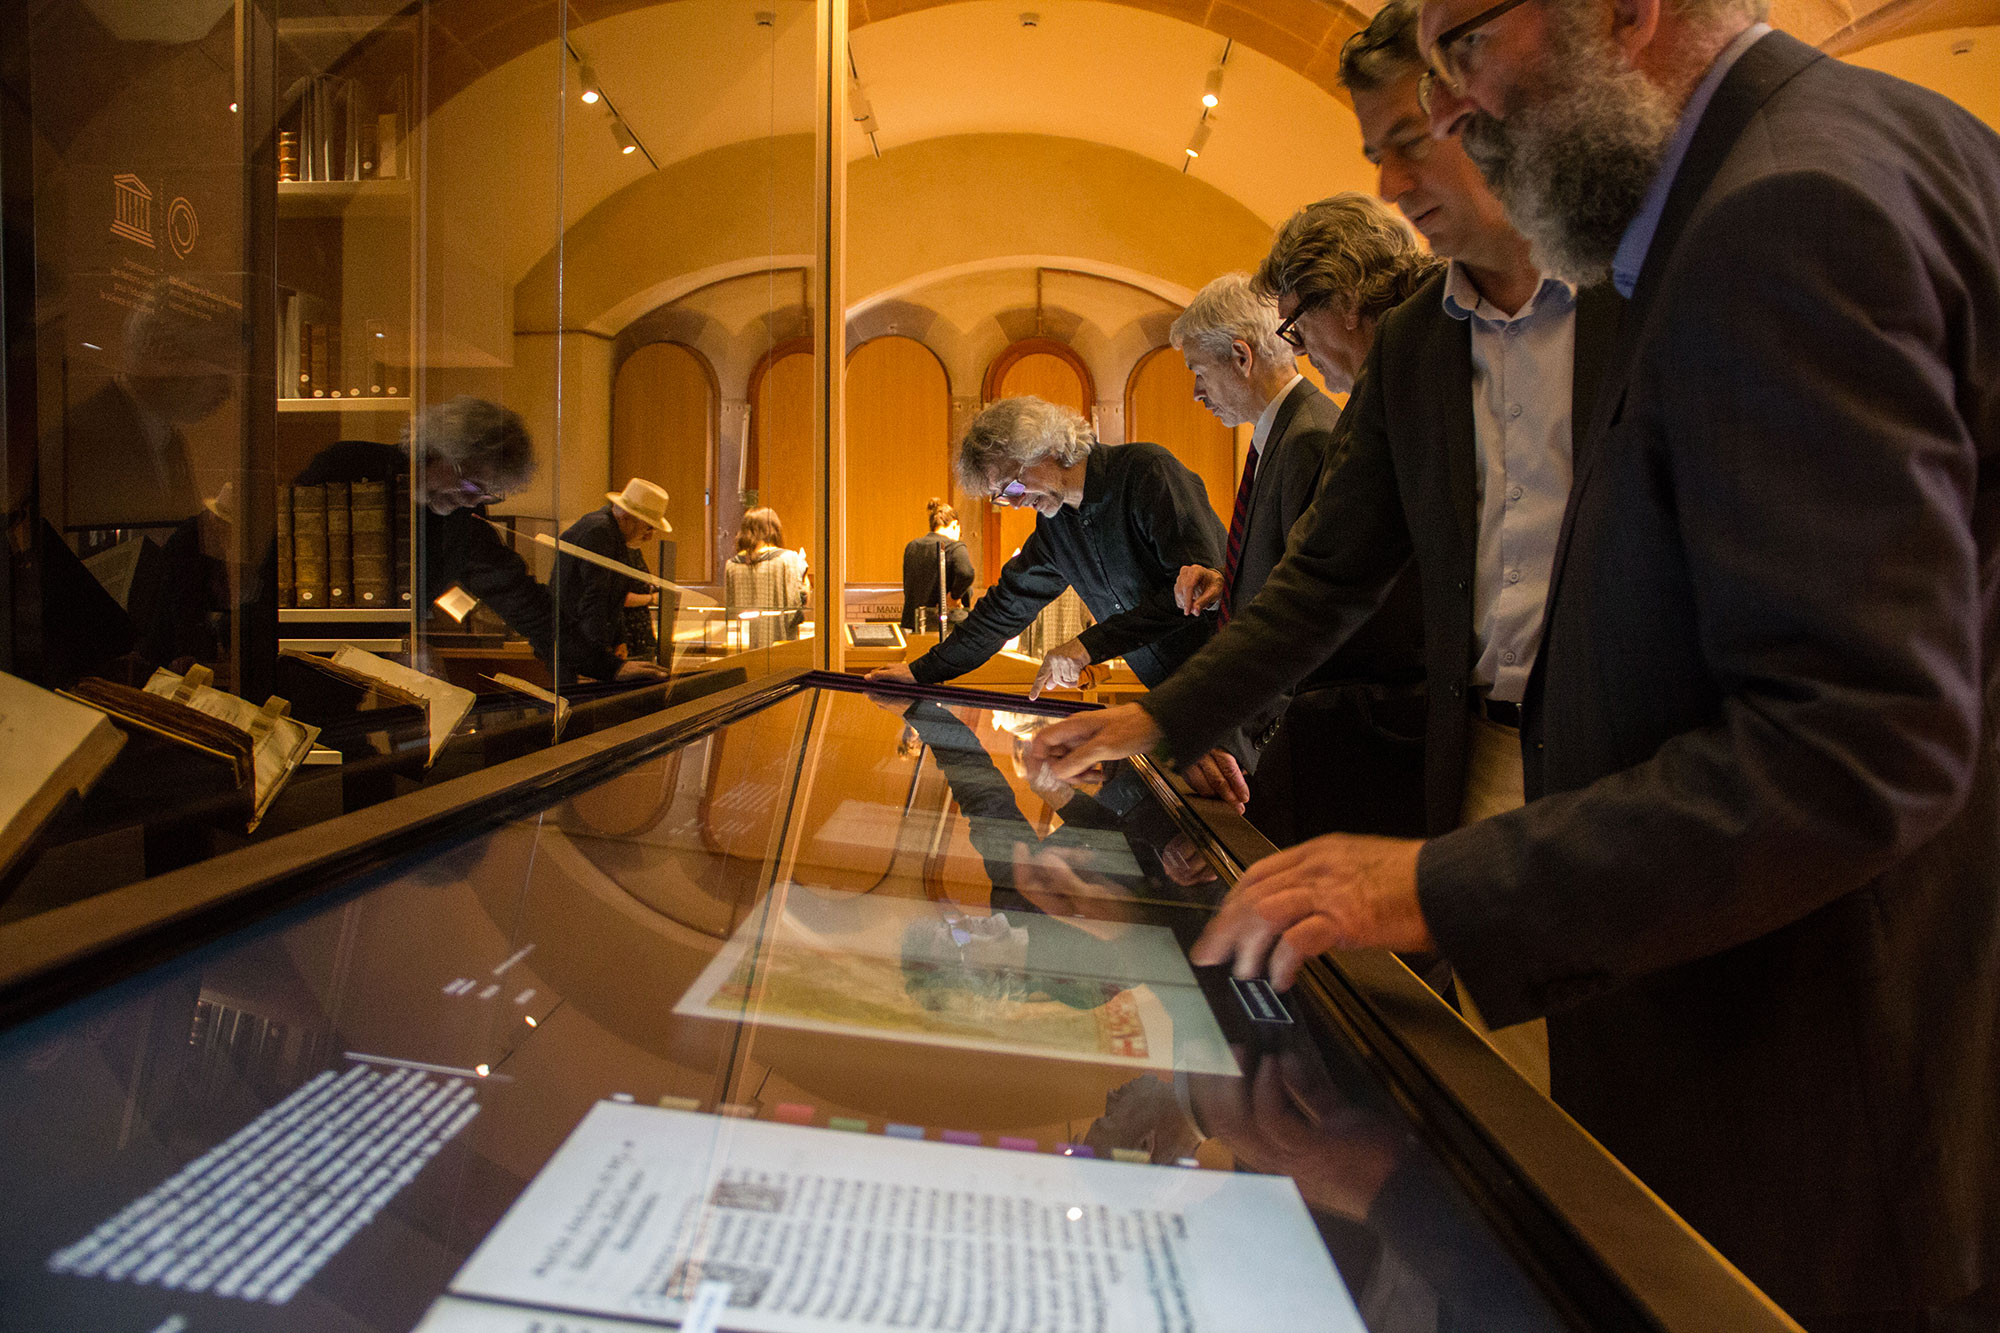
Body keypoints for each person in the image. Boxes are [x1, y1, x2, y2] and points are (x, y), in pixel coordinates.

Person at [1211, 3, 2000, 1328]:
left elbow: (1854, 742)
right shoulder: (1902, 136)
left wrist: (1433, 881)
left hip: (1822, 1063)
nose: (1454, 112)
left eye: (1466, 48)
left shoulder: (1777, 210)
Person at [1032, 1, 1621, 1079]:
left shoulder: (1627, 284)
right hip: (1483, 761)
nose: (1393, 187)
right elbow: (1321, 583)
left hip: (1621, 759)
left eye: (1411, 141)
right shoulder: (1419, 345)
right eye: (1379, 154)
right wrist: (1156, 720)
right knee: (1515, 1089)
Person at [865, 396, 1247, 801]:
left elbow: (1198, 595)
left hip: (1236, 693)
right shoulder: (1056, 525)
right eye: (999, 496)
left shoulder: (1146, 472)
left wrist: (1087, 646)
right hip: (1173, 712)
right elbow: (1004, 608)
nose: (1011, 504)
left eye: (1011, 485)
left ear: (1047, 448)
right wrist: (922, 672)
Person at [1168, 264, 1426, 844]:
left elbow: (1323, 600)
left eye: (1198, 371)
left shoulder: (1309, 436)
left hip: (1298, 742)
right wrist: (1228, 583)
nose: (1195, 391)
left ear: (1240, 356)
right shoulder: (1281, 432)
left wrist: (1217, 729)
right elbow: (1287, 564)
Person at [298, 397, 662, 685]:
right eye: (472, 485)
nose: (473, 501)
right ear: (439, 451)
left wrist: (607, 668)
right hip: (297, 654)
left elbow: (520, 597)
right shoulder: (349, 464)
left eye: (487, 496)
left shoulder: (458, 514)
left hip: (362, 667)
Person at [554, 477, 673, 685]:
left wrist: (618, 639)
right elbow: (594, 597)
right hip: (572, 644)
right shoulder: (600, 532)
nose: (650, 536)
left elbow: (611, 595)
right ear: (628, 516)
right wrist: (599, 661)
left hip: (580, 643)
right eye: (648, 527)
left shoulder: (611, 533)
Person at [723, 506, 809, 650]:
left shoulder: (731, 565)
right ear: (774, 529)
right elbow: (799, 602)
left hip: (742, 647)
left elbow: (729, 610)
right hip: (779, 645)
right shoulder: (788, 559)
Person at [899, 497, 975, 632]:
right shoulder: (954, 547)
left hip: (913, 625)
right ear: (954, 525)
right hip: (945, 627)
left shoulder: (912, 547)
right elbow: (966, 573)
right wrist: (954, 597)